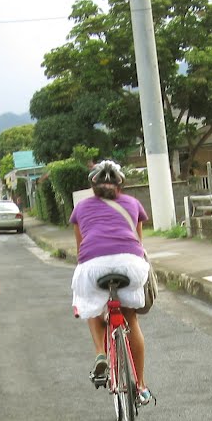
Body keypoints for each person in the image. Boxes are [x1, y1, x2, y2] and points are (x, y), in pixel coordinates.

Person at [70, 159, 154, 404]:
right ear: (120, 184)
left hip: (94, 266)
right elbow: (139, 244)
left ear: (93, 186)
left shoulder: (81, 208)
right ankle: (140, 385)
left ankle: (100, 354)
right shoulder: (133, 204)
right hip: (131, 265)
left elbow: (80, 250)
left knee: (92, 307)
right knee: (131, 318)